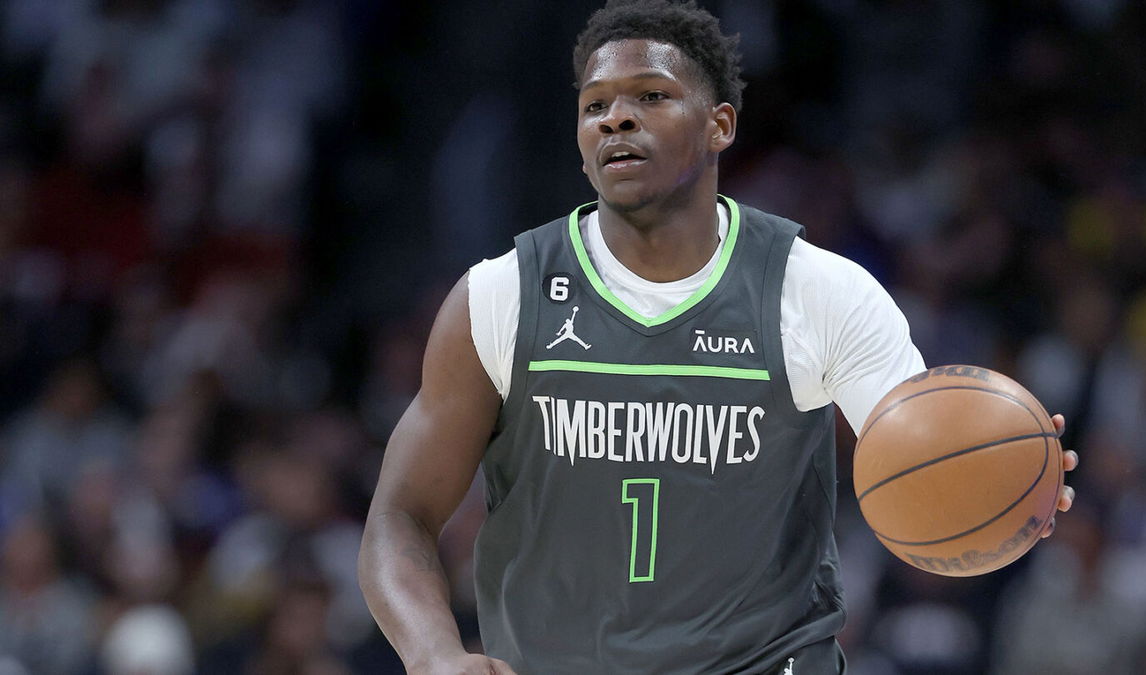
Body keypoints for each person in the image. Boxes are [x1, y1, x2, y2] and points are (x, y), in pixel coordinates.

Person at [357, 1, 1078, 673]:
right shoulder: (499, 295)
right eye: (596, 105)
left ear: (720, 125)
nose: (616, 119)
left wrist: (1006, 475)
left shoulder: (820, 292)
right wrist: (432, 655)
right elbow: (399, 515)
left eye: (651, 97)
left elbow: (929, 462)